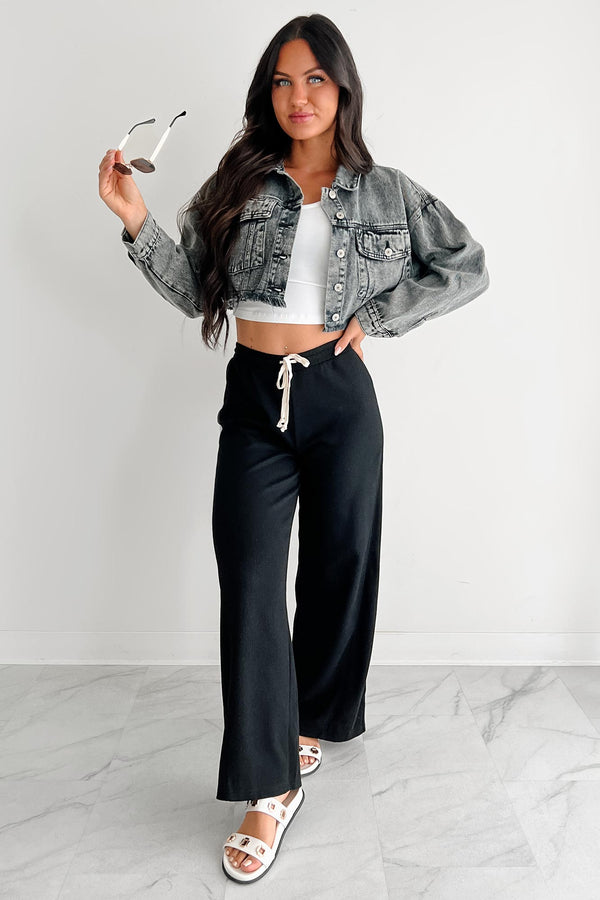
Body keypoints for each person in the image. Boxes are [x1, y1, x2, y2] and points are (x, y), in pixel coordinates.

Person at [98, 13, 490, 885]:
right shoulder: (239, 182)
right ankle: (269, 785)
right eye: (282, 80)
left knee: (340, 565)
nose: (298, 96)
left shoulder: (386, 190)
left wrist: (378, 316)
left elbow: (466, 265)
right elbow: (192, 287)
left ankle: (309, 720)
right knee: (250, 581)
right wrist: (135, 220)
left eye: (314, 79)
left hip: (340, 395)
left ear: (342, 89)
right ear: (266, 93)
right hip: (253, 398)